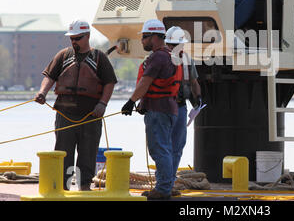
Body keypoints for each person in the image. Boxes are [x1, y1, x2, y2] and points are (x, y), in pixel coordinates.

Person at [34, 20, 117, 191]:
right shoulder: (63, 55)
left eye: (78, 38)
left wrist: (103, 104)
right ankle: (63, 188)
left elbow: (110, 82)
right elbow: (49, 76)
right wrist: (42, 92)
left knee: (88, 153)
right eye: (72, 38)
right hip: (65, 115)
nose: (74, 41)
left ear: (87, 36)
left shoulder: (99, 58)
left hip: (91, 116)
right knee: (63, 152)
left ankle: (84, 186)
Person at [121, 19, 182, 200]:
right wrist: (142, 103)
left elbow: (145, 82)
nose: (142, 41)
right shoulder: (171, 55)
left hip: (159, 110)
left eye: (145, 37)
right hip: (169, 108)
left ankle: (163, 189)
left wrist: (131, 101)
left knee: (159, 149)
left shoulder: (158, 57)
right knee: (167, 149)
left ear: (156, 37)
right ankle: (165, 186)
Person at [164, 26, 202, 193]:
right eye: (171, 45)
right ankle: (163, 182)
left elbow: (194, 82)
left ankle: (169, 182)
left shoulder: (187, 60)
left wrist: (198, 99)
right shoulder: (159, 59)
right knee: (163, 146)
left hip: (180, 107)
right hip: (163, 108)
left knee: (177, 146)